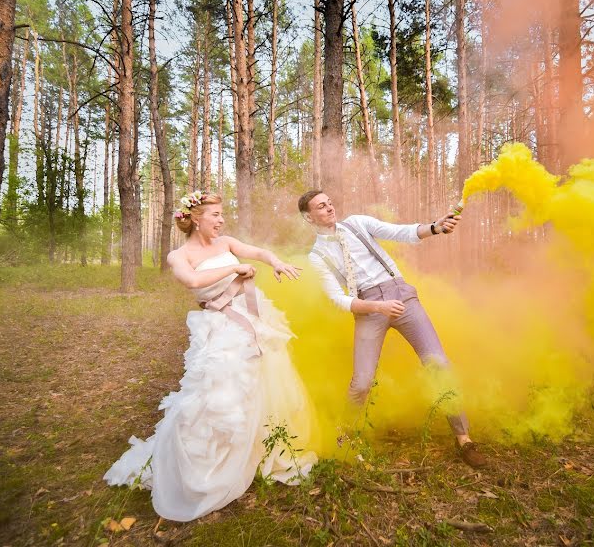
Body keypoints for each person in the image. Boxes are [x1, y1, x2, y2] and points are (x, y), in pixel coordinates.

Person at [105, 191, 317, 522]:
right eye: (215, 214)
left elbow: (256, 251)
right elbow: (192, 280)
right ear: (196, 217)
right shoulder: (179, 255)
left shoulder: (227, 243)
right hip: (221, 326)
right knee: (221, 392)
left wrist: (273, 261)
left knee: (267, 380)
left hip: (254, 315)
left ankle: (263, 448)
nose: (220, 220)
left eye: (221, 215)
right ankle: (213, 461)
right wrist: (235, 271)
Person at [298, 190, 485, 468]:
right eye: (321, 206)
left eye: (329, 203)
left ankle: (464, 439)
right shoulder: (316, 256)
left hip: (402, 296)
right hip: (368, 307)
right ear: (308, 217)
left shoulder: (357, 223)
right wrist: (377, 308)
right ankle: (345, 438)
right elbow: (338, 300)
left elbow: (402, 233)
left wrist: (435, 227)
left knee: (438, 365)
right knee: (361, 382)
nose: (329, 208)